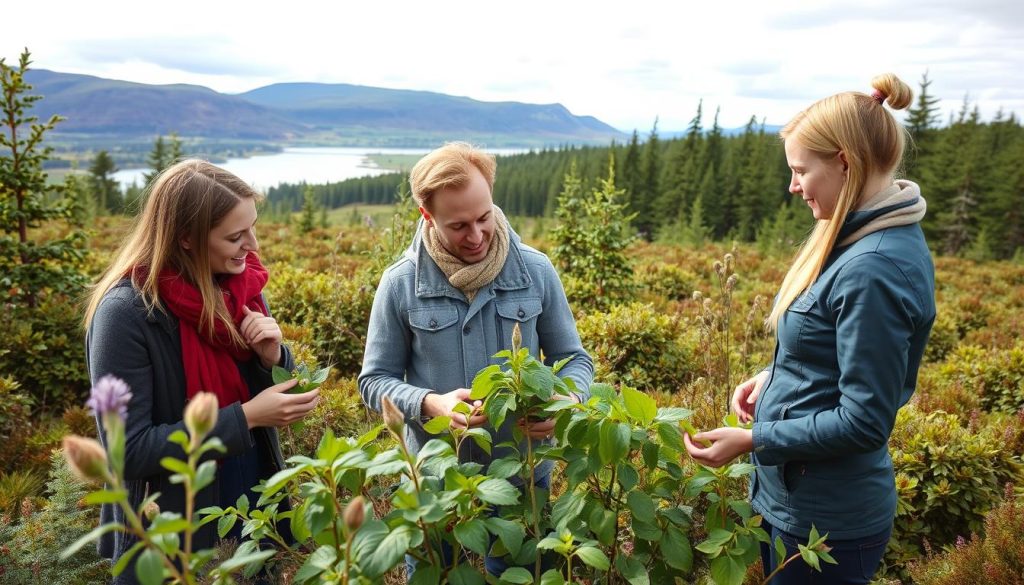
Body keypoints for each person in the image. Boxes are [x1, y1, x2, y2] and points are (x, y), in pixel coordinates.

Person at [683, 74, 936, 584]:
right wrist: (772, 377)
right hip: (799, 504)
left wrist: (753, 439)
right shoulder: (852, 238)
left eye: (801, 170)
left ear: (844, 161)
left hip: (829, 522)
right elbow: (832, 352)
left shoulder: (874, 268)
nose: (793, 185)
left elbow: (865, 421)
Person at [358, 142, 594, 575]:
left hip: (523, 475)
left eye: (484, 217)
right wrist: (432, 403)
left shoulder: (536, 271)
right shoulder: (400, 284)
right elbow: (374, 381)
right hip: (436, 482)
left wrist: (569, 403)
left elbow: (575, 359)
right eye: (459, 225)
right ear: (427, 216)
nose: (477, 235)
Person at [83, 160, 320, 583]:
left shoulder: (239, 287)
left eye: (252, 227)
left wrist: (273, 359)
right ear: (186, 239)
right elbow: (127, 452)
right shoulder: (126, 315)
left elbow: (272, 394)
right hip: (171, 531)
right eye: (234, 236)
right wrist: (246, 416)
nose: (252, 244)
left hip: (250, 510)